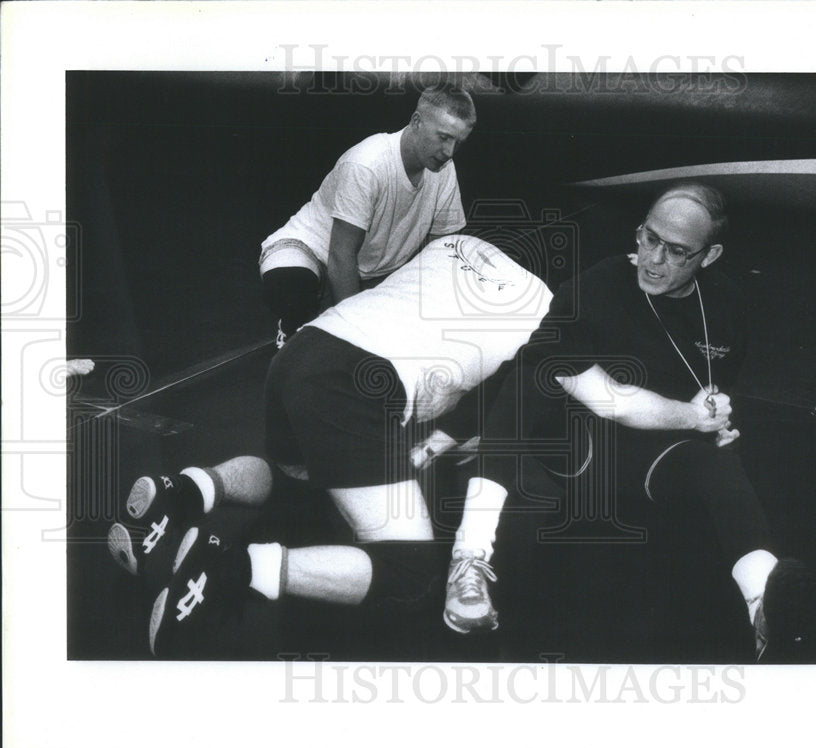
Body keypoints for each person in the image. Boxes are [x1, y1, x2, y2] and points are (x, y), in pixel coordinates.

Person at [107, 234, 552, 657]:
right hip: (356, 385)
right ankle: (228, 571)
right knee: (411, 571)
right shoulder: (550, 327)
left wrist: (437, 440)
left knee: (298, 480)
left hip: (303, 352)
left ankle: (183, 493)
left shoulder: (455, 246)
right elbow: (499, 442)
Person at [442, 183, 816, 659]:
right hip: (577, 449)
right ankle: (469, 558)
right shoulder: (595, 288)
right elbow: (609, 401)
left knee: (719, 460)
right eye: (649, 238)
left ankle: (764, 607)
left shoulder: (726, 307)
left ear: (710, 254)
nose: (654, 259)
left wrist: (719, 414)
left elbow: (713, 388)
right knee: (530, 378)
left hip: (650, 455)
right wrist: (693, 415)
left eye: (677, 251)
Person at [259, 83, 475, 348]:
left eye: (458, 142)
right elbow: (340, 256)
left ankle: (337, 306)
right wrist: (356, 334)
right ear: (416, 121)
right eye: (443, 137)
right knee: (291, 290)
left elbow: (444, 251)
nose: (449, 152)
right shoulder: (367, 163)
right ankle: (293, 325)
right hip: (310, 250)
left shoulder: (444, 170)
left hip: (375, 272)